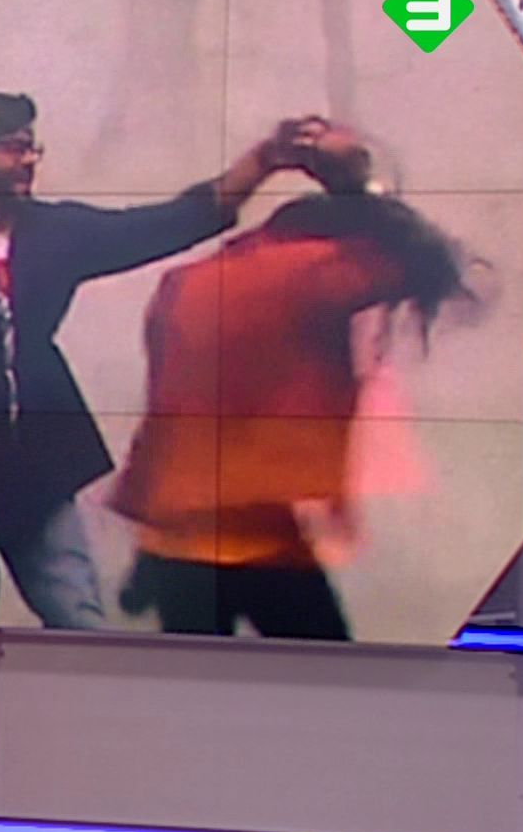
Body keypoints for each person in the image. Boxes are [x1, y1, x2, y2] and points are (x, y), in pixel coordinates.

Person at [0, 89, 325, 628]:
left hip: (41, 480)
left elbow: (167, 223)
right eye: (13, 148)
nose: (28, 161)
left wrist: (263, 162)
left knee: (82, 629)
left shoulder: (51, 234)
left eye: (32, 148)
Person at [108, 121, 471, 640]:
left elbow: (164, 412)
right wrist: (354, 180)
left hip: (179, 537)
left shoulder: (186, 283)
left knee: (195, 682)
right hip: (257, 536)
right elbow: (423, 258)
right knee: (324, 678)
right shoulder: (318, 272)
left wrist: (147, 550)